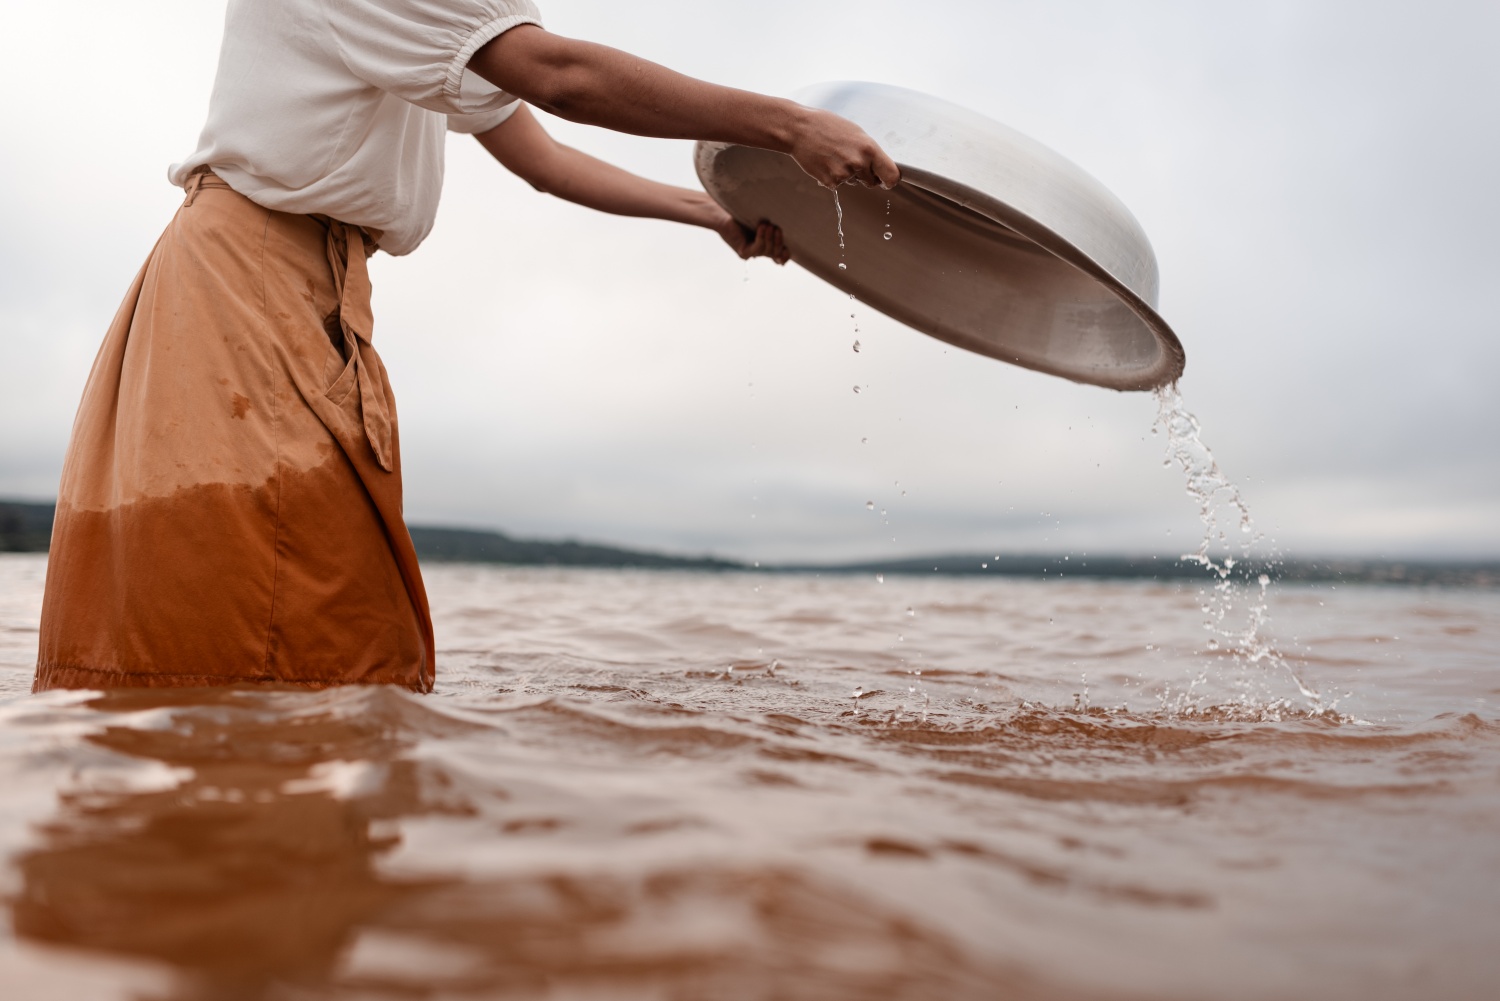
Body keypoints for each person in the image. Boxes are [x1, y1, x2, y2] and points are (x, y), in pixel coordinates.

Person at [33, 1, 900, 693]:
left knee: (313, 636)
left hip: (299, 284)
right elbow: (557, 74)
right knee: (292, 627)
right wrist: (787, 125)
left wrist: (711, 211)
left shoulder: (426, 28)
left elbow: (542, 158)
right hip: (245, 285)